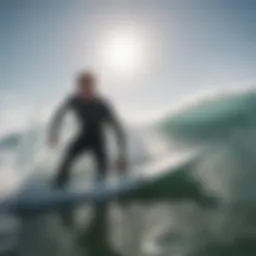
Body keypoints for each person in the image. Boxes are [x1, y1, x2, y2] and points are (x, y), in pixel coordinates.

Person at [47, 71, 127, 188]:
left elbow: (117, 128)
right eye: (81, 86)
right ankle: (59, 187)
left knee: (102, 173)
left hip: (98, 140)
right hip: (83, 137)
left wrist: (122, 156)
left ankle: (114, 173)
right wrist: (53, 134)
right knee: (65, 162)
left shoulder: (102, 104)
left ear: (94, 86)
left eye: (88, 85)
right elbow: (58, 115)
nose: (84, 90)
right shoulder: (74, 100)